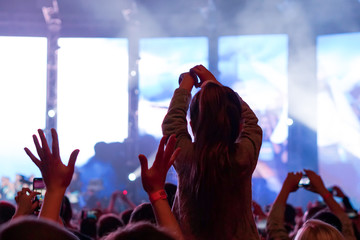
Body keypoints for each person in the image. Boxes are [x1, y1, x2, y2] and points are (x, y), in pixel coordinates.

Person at [162, 65, 263, 240]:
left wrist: (184, 88)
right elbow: (251, 123)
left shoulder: (185, 156)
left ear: (192, 126)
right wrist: (214, 84)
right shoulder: (243, 157)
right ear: (239, 127)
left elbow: (172, 124)